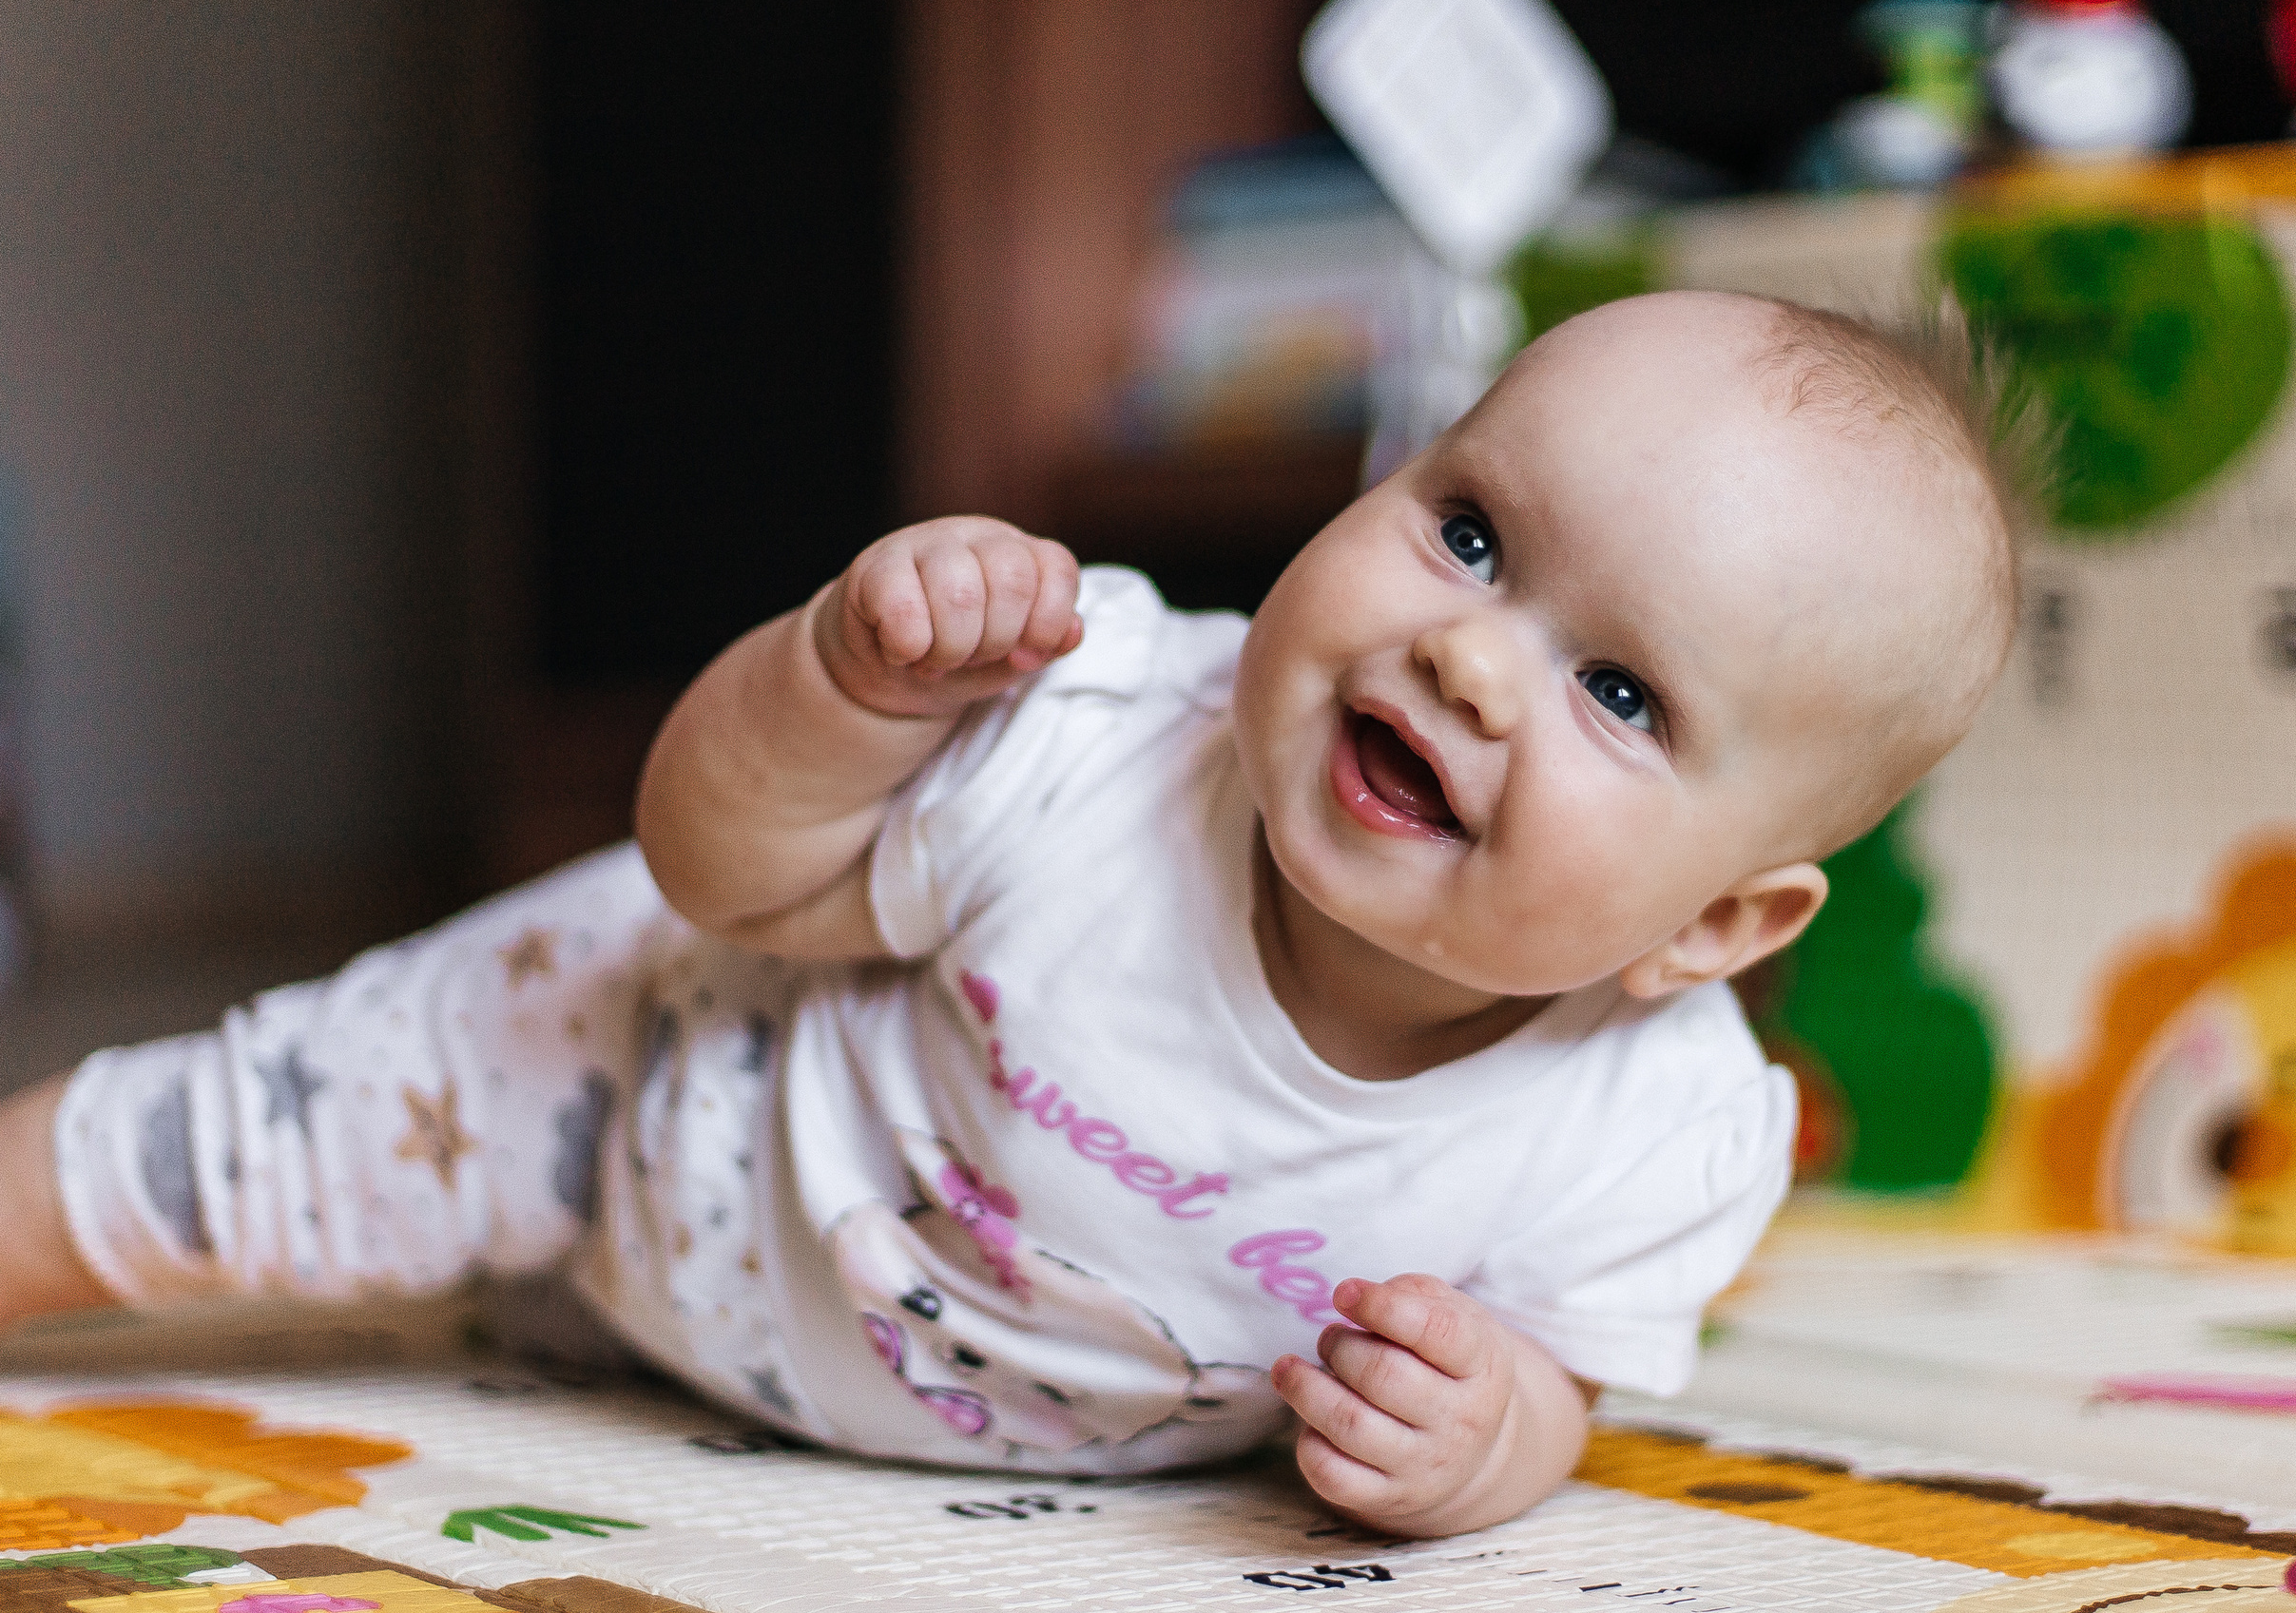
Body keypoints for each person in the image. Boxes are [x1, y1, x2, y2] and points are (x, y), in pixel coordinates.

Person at [0, 291, 2031, 1539]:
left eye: (1618, 691)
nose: (1473, 661)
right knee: (237, 1137)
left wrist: (1479, 1434)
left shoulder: (1651, 1126)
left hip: (765, 1352)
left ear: (1716, 925)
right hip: (637, 1083)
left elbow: (1563, 1384)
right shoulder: (1088, 727)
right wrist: (838, 685)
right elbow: (721, 863)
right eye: (1472, 533)